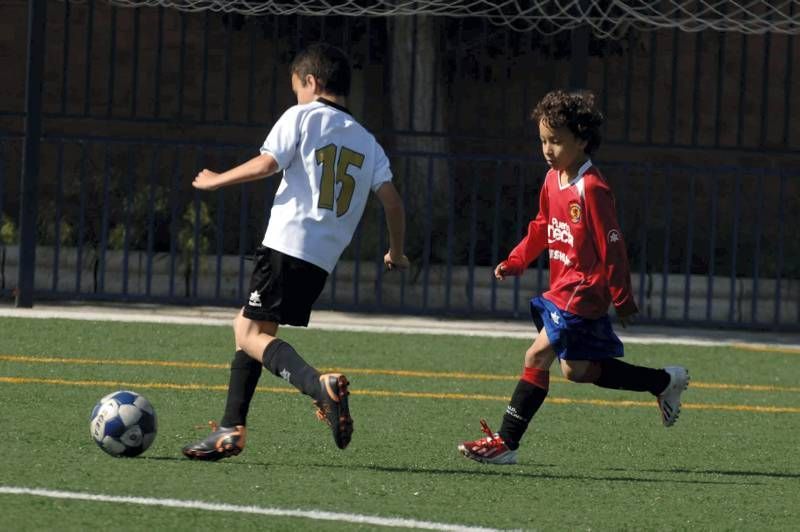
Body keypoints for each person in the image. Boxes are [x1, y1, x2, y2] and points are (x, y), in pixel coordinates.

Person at [182, 43, 409, 461]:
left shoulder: (301, 117)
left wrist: (217, 180)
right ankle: (232, 429)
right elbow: (392, 201)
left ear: (312, 82)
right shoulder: (368, 141)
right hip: (321, 259)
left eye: (297, 90)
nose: (296, 99)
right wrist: (395, 251)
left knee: (248, 333)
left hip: (285, 245)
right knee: (253, 331)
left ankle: (316, 384)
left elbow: (268, 164)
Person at [458, 90, 689, 465]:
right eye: (543, 141)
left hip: (583, 293)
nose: (548, 149)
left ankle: (506, 442)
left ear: (582, 140)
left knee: (536, 354)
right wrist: (516, 261)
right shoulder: (553, 179)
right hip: (563, 290)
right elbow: (541, 226)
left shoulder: (593, 188)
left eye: (556, 141)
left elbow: (612, 247)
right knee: (577, 370)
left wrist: (622, 299)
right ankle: (663, 382)